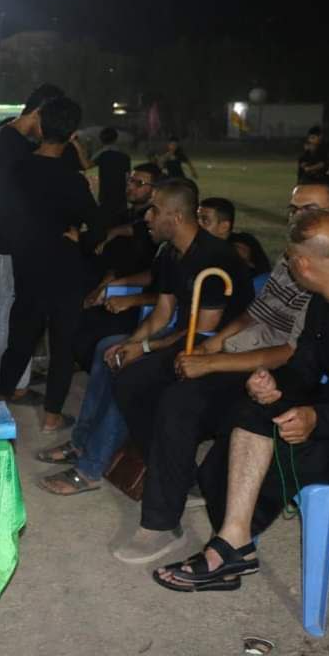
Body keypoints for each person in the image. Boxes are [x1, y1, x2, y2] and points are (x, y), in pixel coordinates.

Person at [156, 210, 329, 592]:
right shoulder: (325, 300)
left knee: (269, 453)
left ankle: (228, 550)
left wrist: (318, 419)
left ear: (304, 264)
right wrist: (273, 386)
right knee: (246, 415)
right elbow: (305, 368)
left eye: (289, 259)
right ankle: (235, 544)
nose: (287, 266)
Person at [109, 183, 329, 564]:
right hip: (240, 350)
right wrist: (213, 344)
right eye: (293, 209)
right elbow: (255, 313)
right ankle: (181, 476)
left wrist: (212, 362)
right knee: (134, 379)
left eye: (309, 209)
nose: (296, 218)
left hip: (272, 374)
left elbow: (290, 354)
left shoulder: (325, 272)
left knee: (179, 400)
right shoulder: (290, 259)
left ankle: (161, 521)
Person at [38, 179, 253, 495]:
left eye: (154, 210)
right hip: (186, 338)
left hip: (216, 349)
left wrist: (145, 348)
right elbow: (163, 313)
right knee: (108, 349)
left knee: (133, 371)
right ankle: (81, 443)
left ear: (176, 217)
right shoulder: (170, 252)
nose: (147, 217)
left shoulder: (215, 258)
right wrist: (130, 343)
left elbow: (205, 331)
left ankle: (90, 469)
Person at [0, 96, 100, 432]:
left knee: (22, 335)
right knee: (62, 344)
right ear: (71, 134)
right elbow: (98, 226)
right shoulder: (73, 180)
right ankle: (52, 417)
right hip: (65, 268)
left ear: (40, 127)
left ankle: (1, 397)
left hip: (29, 264)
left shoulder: (19, 170)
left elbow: (6, 217)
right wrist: (80, 239)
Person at [0, 84, 64, 400]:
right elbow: (17, 200)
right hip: (6, 238)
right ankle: (17, 384)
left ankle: (19, 372)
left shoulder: (2, 136)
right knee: (10, 309)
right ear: (39, 112)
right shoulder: (15, 146)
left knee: (8, 306)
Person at [73, 163, 161, 370]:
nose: (130, 186)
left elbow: (135, 238)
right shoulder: (123, 214)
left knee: (91, 330)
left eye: (139, 183)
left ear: (154, 190)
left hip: (131, 293)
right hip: (107, 282)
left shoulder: (154, 226)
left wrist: (107, 284)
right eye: (130, 180)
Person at [90, 126, 132, 219]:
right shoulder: (124, 156)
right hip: (120, 197)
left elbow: (87, 164)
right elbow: (128, 177)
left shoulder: (102, 155)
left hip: (105, 196)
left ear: (101, 140)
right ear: (116, 138)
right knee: (121, 221)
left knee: (105, 222)